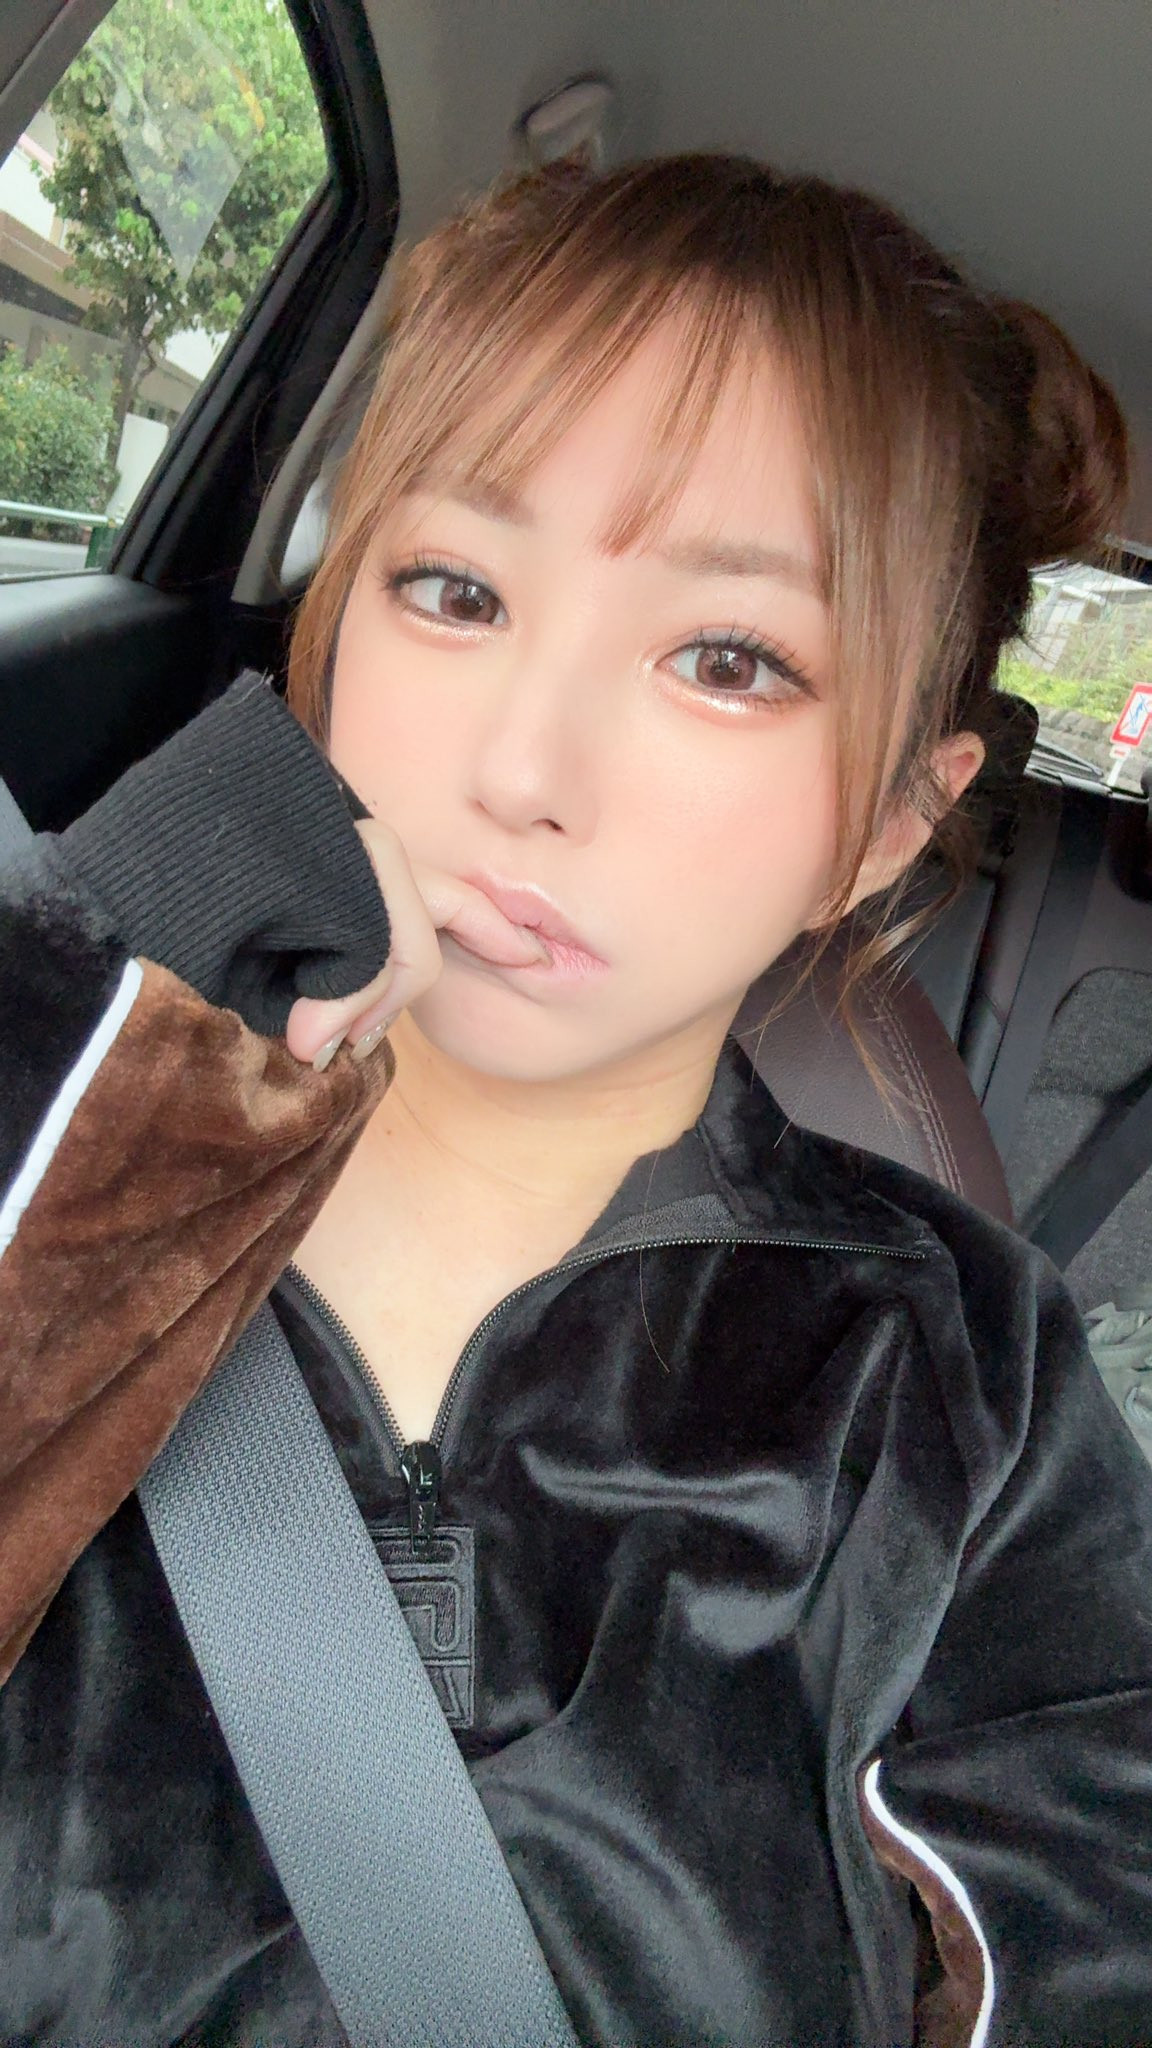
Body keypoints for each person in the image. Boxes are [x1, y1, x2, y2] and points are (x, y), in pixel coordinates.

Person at [1, 153, 1150, 2046]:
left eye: (728, 660)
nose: (524, 768)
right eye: (453, 590)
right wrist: (108, 983)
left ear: (887, 825)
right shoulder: (66, 1136)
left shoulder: (960, 1376)